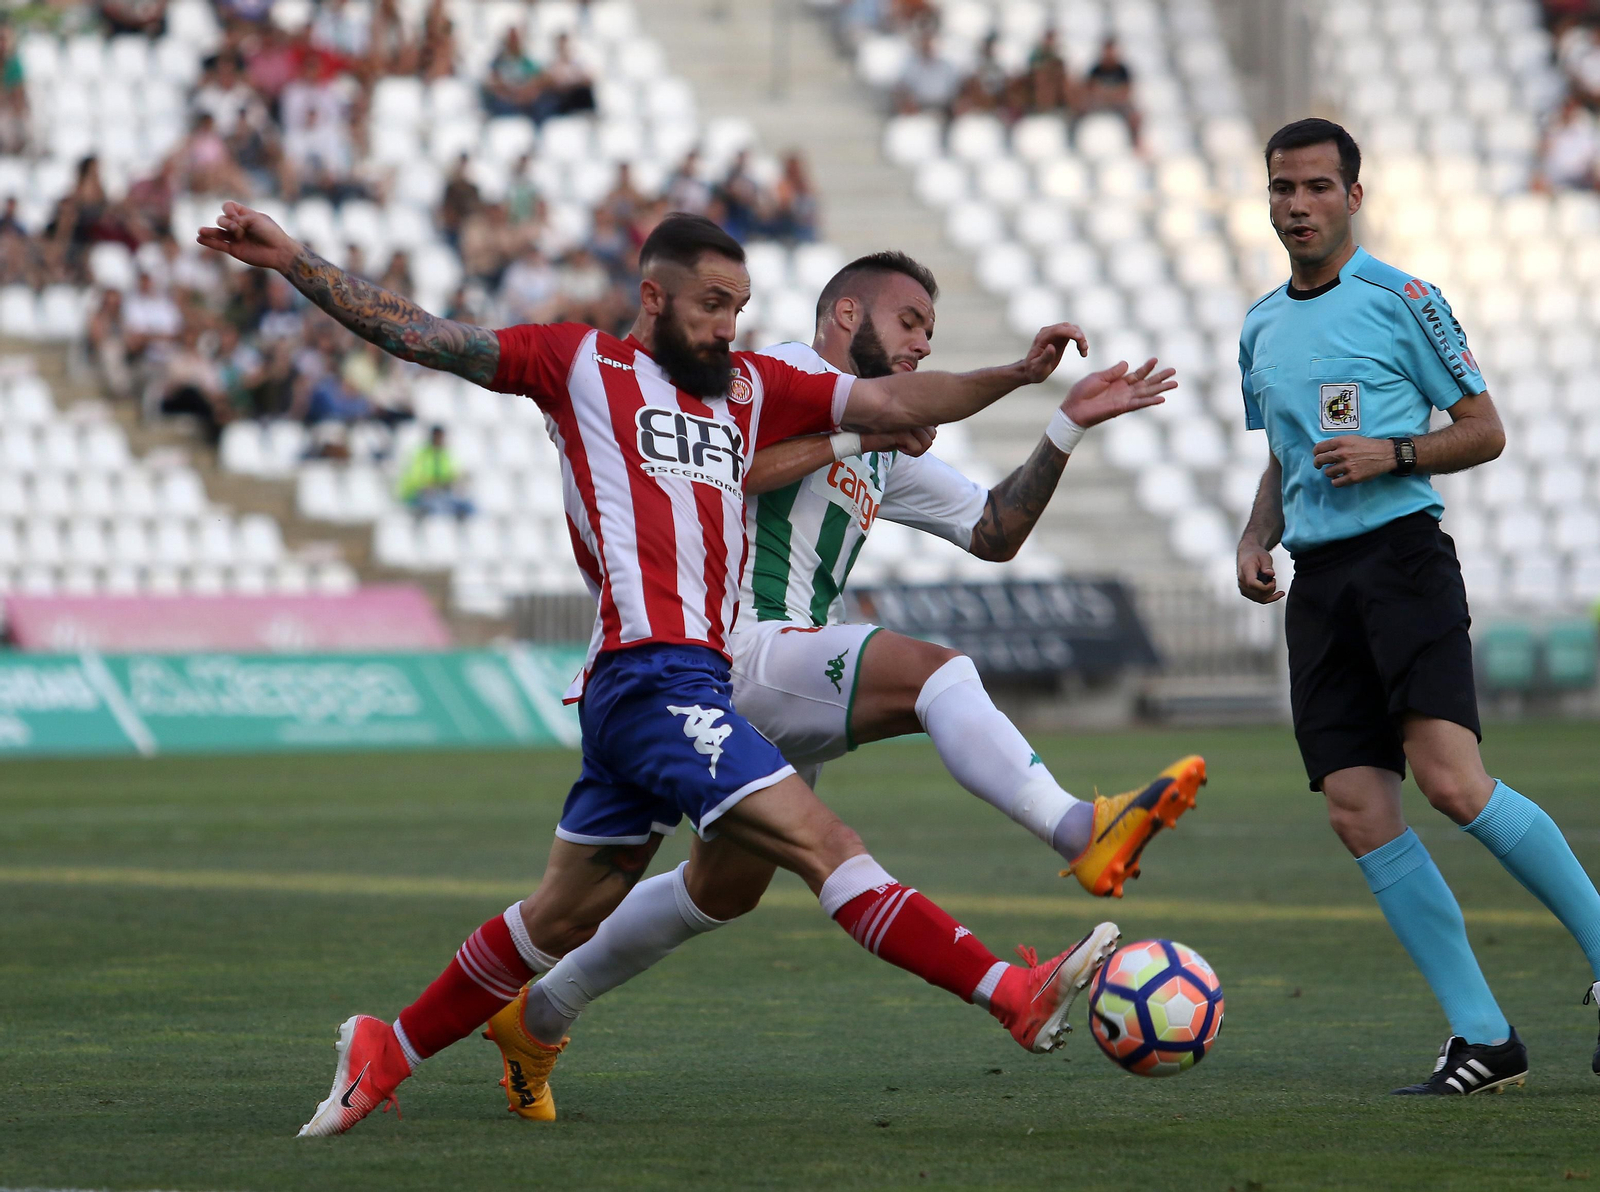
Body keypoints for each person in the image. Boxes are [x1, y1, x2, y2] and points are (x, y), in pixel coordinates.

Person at [198, 201, 1111, 1137]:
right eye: (712, 305)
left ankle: (386, 1050)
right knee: (822, 843)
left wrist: (1019, 376)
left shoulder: (750, 391)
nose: (728, 326)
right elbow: (429, 337)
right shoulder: (578, 364)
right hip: (649, 677)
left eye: (741, 307)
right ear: (653, 296)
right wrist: (297, 262)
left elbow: (894, 404)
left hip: (672, 688)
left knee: (555, 921)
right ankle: (1008, 992)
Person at [481, 251, 1200, 1119]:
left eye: (930, 335)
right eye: (909, 325)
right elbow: (723, 469)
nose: (921, 346)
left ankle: (539, 1016)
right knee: (939, 672)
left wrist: (1063, 430)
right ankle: (1076, 828)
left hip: (767, 678)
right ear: (847, 315)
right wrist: (862, 433)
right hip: (734, 643)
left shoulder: (882, 440)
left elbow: (992, 529)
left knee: (722, 892)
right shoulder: (776, 375)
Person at [1235, 118, 1600, 1096]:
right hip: (1317, 584)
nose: (1297, 204)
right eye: (1282, 188)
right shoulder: (1260, 324)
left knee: (1451, 781)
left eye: (1316, 187)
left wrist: (1393, 452)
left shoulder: (1404, 299)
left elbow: (1483, 431)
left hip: (1401, 563)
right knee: (1356, 808)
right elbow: (1280, 448)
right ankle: (1483, 1036)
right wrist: (1252, 533)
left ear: (1353, 197)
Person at [399, 425, 473, 518]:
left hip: (441, 493)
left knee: (469, 506)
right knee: (440, 509)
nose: (441, 440)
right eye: (439, 437)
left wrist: (457, 480)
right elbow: (415, 478)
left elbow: (451, 475)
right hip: (419, 495)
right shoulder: (420, 454)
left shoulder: (445, 455)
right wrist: (431, 485)